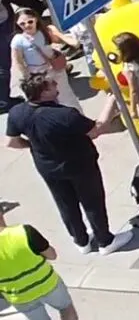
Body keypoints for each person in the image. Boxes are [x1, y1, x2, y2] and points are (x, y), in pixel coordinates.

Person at [4, 76, 114, 256]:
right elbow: (96, 130)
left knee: (65, 205)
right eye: (53, 84)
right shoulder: (65, 115)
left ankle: (81, 241)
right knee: (92, 202)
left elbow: (12, 142)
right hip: (80, 165)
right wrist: (111, 101)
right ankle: (105, 241)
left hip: (48, 168)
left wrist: (34, 145)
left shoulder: (17, 112)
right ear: (43, 93)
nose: (57, 85)